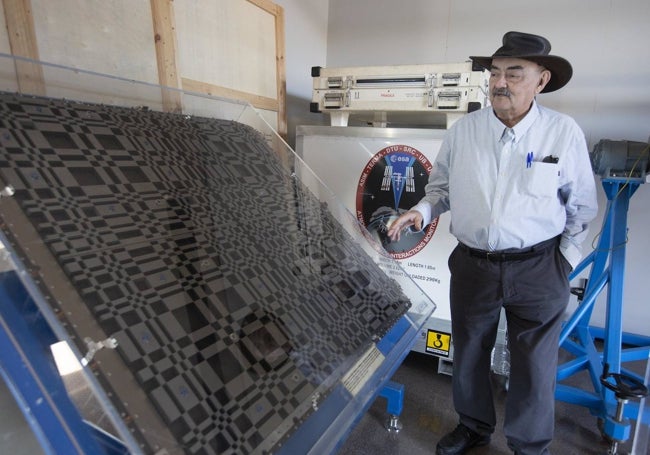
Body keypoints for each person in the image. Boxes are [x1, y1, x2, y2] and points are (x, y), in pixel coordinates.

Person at [387, 31, 598, 455]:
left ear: (541, 80)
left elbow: (581, 206)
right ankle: (474, 427)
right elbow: (440, 188)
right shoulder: (466, 130)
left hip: (539, 266)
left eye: (513, 73)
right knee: (468, 354)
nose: (499, 82)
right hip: (474, 264)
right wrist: (421, 212)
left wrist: (564, 262)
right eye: (495, 73)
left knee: (535, 365)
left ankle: (529, 445)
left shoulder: (562, 132)